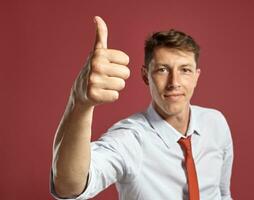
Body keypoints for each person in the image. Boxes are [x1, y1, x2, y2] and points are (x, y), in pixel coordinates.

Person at [50, 16, 234, 200]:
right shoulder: (129, 139)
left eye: (185, 70)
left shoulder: (216, 123)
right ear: (145, 76)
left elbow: (223, 194)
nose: (174, 83)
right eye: (162, 69)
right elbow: (69, 186)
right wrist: (80, 103)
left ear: (196, 76)